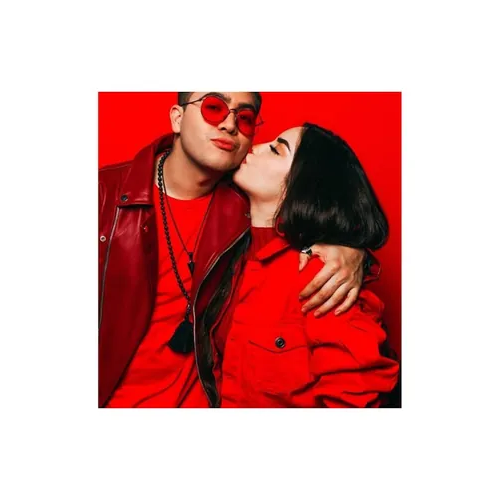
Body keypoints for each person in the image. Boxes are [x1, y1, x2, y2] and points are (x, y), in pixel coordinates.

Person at [98, 93, 377, 408]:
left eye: (244, 118)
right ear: (177, 118)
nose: (230, 124)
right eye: (213, 108)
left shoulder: (248, 208)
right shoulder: (103, 197)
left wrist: (353, 253)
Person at [209, 123, 399, 407]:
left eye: (276, 150)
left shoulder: (322, 277)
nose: (255, 147)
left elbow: (356, 397)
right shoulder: (230, 257)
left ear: (302, 186)